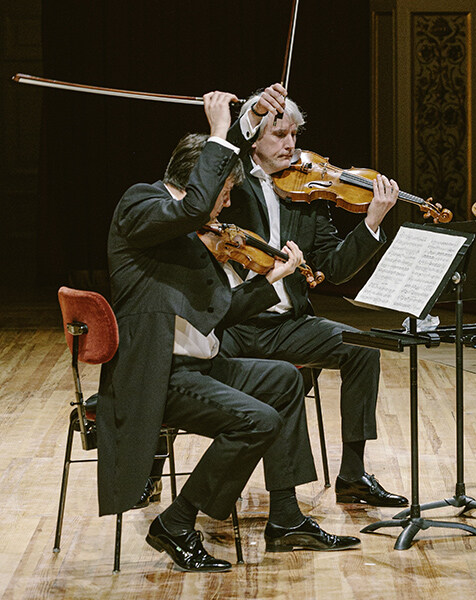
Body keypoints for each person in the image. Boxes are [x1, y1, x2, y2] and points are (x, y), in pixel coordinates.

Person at [98, 89, 359, 573]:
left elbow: (221, 312)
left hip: (200, 365)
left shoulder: (192, 233)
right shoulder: (142, 203)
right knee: (255, 420)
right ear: (202, 177)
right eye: (224, 192)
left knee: (283, 379)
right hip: (158, 376)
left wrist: (271, 281)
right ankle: (177, 522)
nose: (226, 204)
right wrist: (222, 130)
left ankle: (285, 517)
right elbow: (194, 208)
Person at [217, 87, 408, 507]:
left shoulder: (306, 194)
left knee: (363, 351)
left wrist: (372, 222)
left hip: (287, 324)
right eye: (279, 134)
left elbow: (333, 268)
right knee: (188, 367)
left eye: (294, 136)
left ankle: (354, 475)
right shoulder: (230, 180)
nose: (290, 145)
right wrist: (251, 116)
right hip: (235, 323)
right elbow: (221, 150)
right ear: (254, 139)